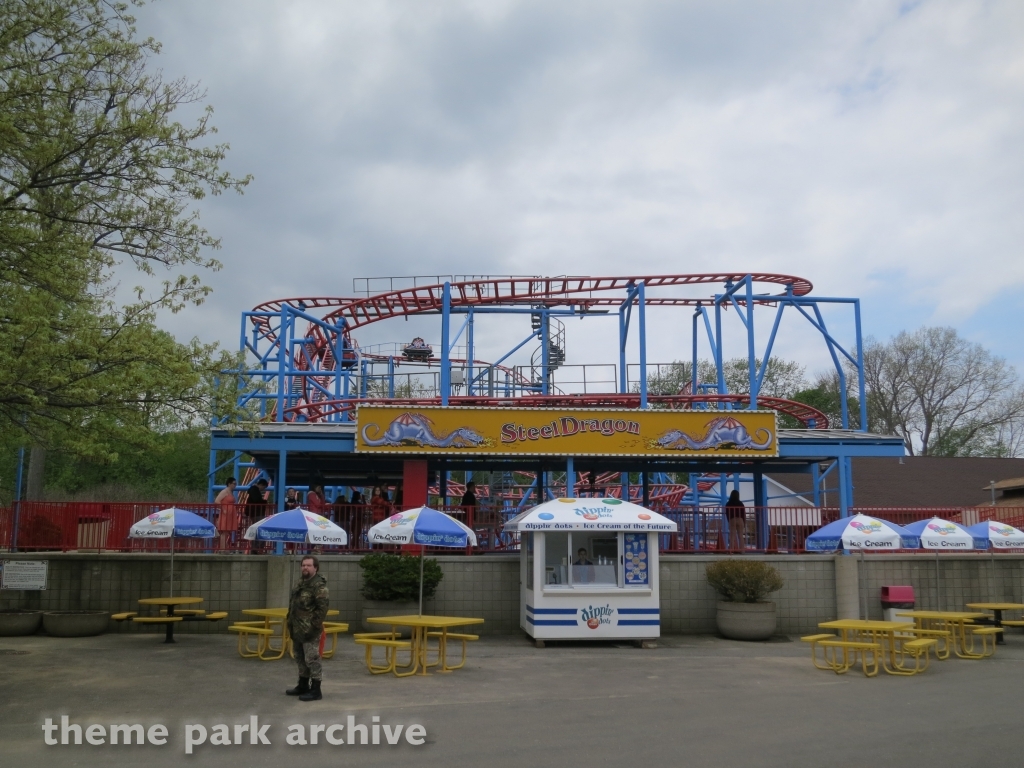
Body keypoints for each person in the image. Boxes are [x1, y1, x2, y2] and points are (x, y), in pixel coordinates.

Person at [285, 555, 329, 701]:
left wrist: (314, 626)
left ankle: (316, 689)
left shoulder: (319, 587)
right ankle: (303, 685)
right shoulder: (299, 583)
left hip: (310, 630)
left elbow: (322, 610)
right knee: (300, 658)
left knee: (312, 659)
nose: (305, 568)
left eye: (309, 565)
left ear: (315, 568)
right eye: (303, 565)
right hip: (296, 629)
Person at [214, 478, 238, 549]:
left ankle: (224, 547)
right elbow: (217, 501)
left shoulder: (231, 492)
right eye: (234, 484)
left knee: (227, 531)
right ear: (229, 484)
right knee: (224, 531)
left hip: (231, 513)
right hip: (226, 512)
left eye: (235, 484)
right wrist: (223, 509)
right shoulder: (224, 491)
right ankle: (222, 548)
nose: (235, 485)